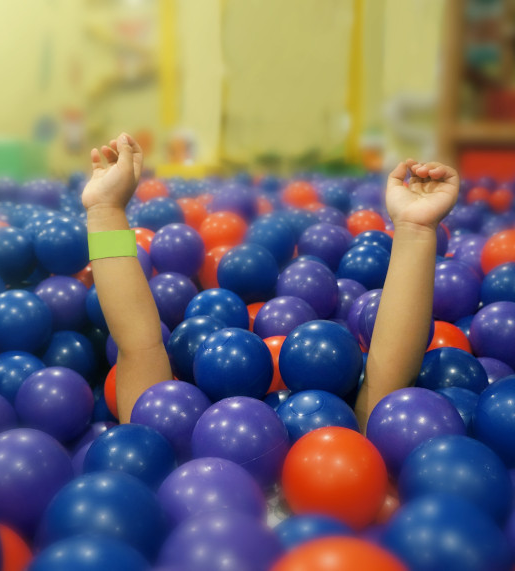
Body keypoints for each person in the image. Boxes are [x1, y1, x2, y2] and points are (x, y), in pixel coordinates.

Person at [83, 133, 459, 430]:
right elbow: (138, 346)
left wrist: (414, 229)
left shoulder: (163, 452)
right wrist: (104, 210)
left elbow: (389, 378)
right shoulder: (166, 457)